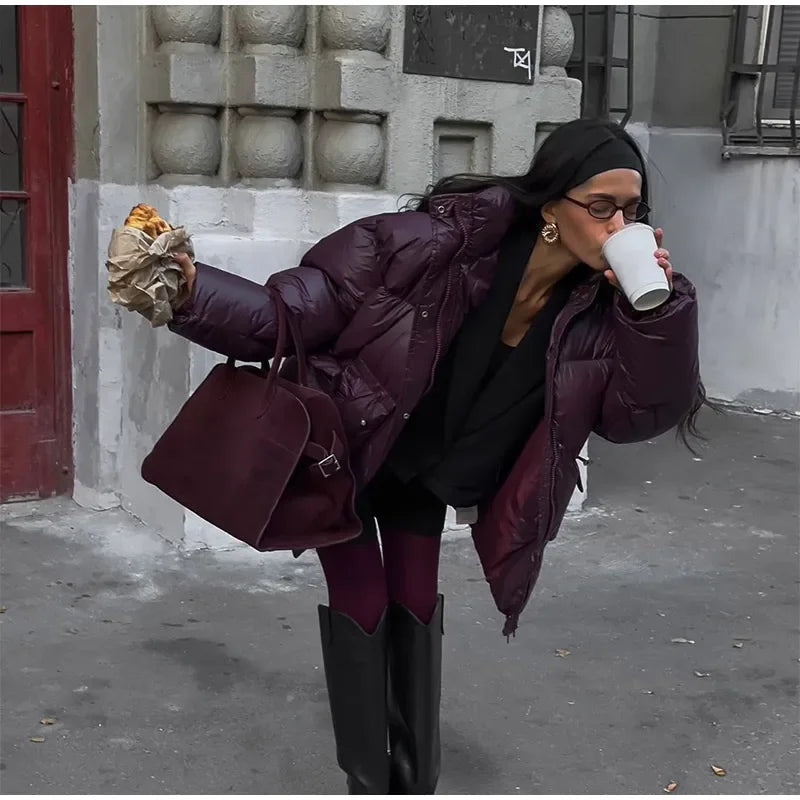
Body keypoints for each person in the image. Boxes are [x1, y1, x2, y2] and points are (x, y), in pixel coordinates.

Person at [167, 118, 702, 794]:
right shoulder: (434, 246)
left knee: (416, 600)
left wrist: (655, 314)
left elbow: (635, 417)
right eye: (601, 207)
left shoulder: (596, 309)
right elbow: (300, 308)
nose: (618, 224)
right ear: (551, 207)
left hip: (429, 471)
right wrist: (189, 293)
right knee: (362, 599)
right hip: (354, 450)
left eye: (632, 210)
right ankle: (370, 779)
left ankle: (415, 780)